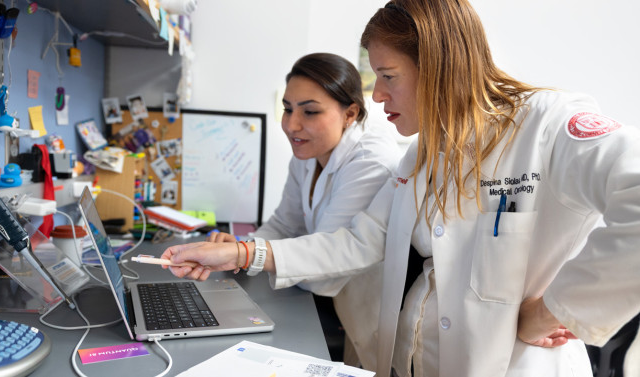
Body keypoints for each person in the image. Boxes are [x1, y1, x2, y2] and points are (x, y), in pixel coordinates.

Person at [160, 1, 640, 376]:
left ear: (440, 65)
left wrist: (557, 309)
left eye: (388, 77)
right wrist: (242, 255)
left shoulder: (548, 125)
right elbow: (359, 242)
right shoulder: (421, 155)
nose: (376, 95)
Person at [205, 52, 401, 364]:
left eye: (309, 112)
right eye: (287, 109)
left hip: (359, 309)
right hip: (321, 304)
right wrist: (241, 247)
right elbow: (285, 224)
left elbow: (324, 271)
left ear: (350, 113)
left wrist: (246, 254)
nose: (292, 125)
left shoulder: (370, 159)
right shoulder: (309, 150)